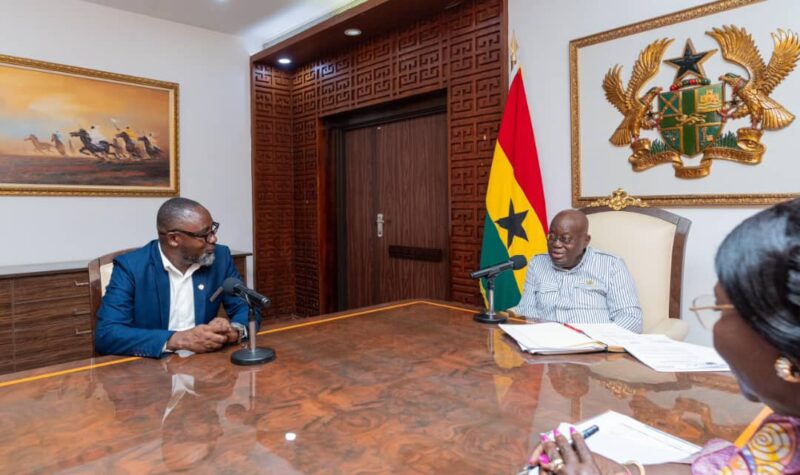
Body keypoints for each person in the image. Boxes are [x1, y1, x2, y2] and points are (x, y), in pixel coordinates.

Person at [532, 198, 800, 474]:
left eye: (719, 309)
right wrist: (621, 471)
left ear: (781, 331)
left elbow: (630, 319)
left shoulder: (609, 265)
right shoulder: (787, 424)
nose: (713, 326)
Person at [95, 197, 255, 358]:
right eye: (204, 234)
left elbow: (246, 307)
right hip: (151, 369)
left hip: (205, 364)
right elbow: (107, 334)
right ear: (174, 239)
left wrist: (233, 330)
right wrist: (178, 339)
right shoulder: (131, 267)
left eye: (213, 229)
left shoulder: (220, 257)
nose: (214, 239)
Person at [508, 209, 643, 333]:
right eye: (552, 237)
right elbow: (527, 310)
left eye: (565, 239)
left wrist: (597, 341)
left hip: (596, 351)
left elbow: (631, 319)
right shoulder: (537, 264)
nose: (556, 244)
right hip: (547, 347)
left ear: (585, 241)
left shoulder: (611, 265)